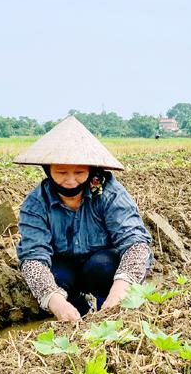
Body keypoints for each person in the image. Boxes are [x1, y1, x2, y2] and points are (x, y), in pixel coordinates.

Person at [14, 116, 153, 321]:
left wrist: (119, 292)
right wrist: (55, 301)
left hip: (103, 269)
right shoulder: (36, 203)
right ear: (48, 170)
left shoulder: (110, 194)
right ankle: (76, 309)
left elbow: (136, 244)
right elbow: (33, 257)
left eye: (79, 172)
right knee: (56, 276)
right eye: (61, 172)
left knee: (101, 265)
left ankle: (108, 308)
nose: (70, 181)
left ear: (91, 169)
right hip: (66, 272)